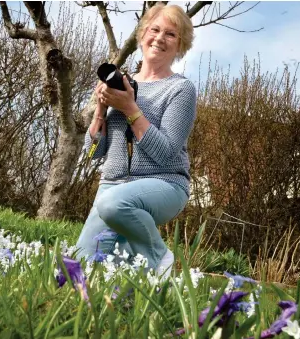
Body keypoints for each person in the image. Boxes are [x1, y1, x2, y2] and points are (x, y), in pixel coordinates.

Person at [75, 3, 196, 279]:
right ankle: (139, 276)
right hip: (112, 186)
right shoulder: (124, 86)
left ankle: (159, 256)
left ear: (181, 45)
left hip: (165, 184)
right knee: (80, 269)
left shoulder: (180, 89)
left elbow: (165, 153)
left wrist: (130, 108)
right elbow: (94, 153)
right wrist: (101, 110)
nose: (159, 38)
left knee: (112, 204)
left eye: (170, 34)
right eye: (154, 29)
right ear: (142, 35)